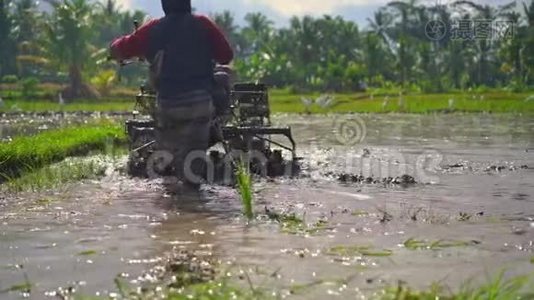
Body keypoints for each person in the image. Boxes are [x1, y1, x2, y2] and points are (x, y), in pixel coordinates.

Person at [109, 0, 234, 191]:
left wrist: (119, 45)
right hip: (199, 104)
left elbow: (120, 48)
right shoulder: (202, 23)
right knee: (193, 176)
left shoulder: (152, 28)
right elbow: (226, 55)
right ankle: (213, 132)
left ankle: (175, 205)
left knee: (170, 169)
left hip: (169, 105)